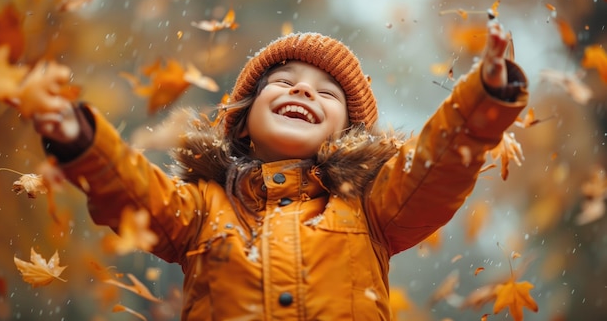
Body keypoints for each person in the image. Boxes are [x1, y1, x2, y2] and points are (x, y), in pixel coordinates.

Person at [30, 18, 528, 320]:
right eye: (284, 81)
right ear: (243, 124)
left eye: (326, 92)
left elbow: (433, 168)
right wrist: (82, 141)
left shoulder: (371, 208)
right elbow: (135, 192)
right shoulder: (202, 209)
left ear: (346, 137)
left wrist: (483, 100)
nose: (303, 91)